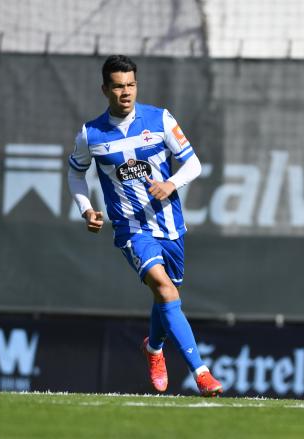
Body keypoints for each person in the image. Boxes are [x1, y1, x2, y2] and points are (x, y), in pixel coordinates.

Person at [67, 54, 222, 397]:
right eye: (118, 86)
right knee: (165, 288)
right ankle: (202, 372)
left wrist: (171, 183)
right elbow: (76, 173)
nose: (126, 92)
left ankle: (153, 348)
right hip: (131, 230)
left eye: (131, 85)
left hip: (170, 226)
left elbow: (193, 164)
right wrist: (86, 208)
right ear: (104, 89)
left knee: (164, 296)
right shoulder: (90, 134)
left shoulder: (160, 119)